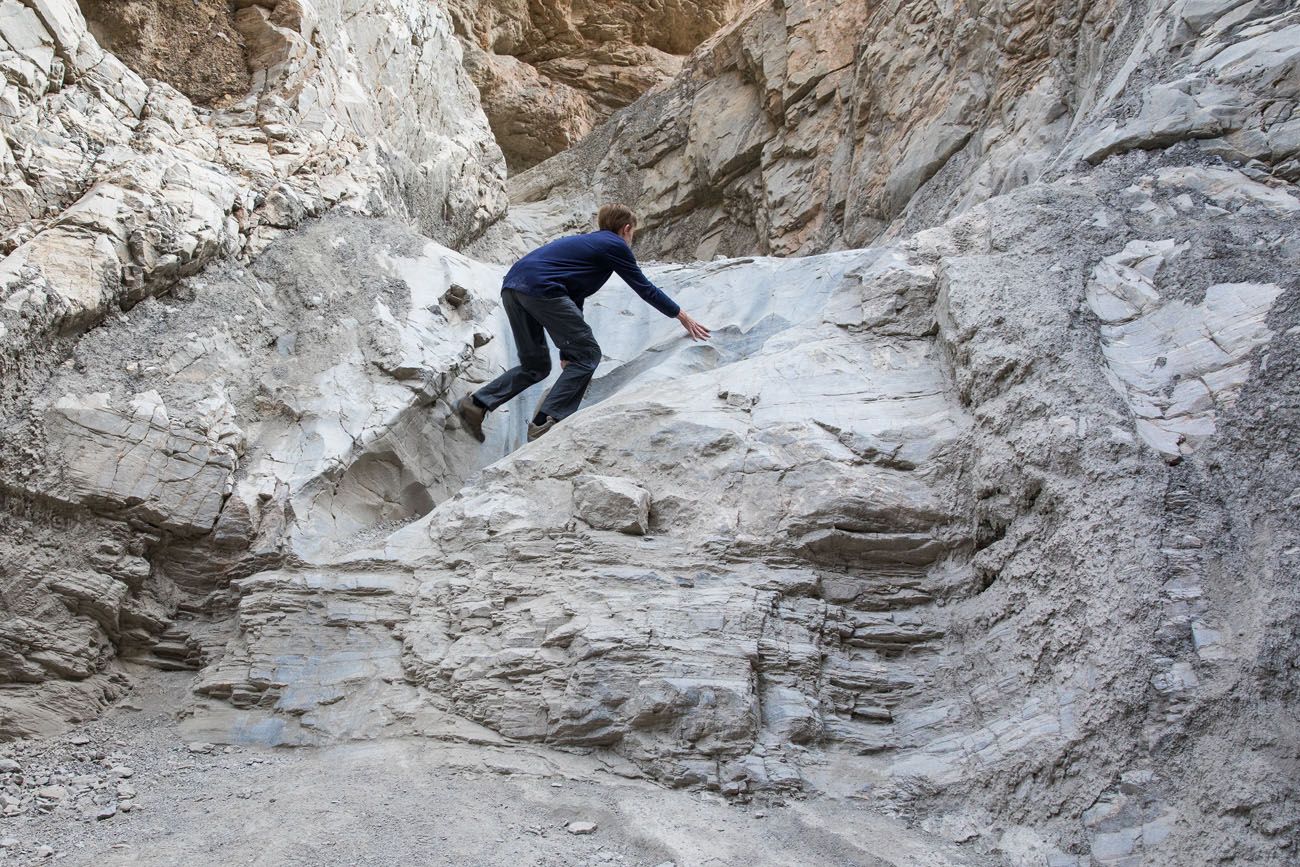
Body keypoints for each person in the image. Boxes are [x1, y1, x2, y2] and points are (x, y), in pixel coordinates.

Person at [456, 204, 711, 442]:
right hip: (543, 289)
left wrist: (568, 351)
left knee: (536, 366)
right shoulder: (614, 244)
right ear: (627, 229)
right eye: (633, 233)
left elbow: (574, 297)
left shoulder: (586, 245)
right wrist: (681, 315)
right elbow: (644, 288)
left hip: (513, 288)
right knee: (588, 355)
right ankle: (546, 421)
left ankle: (476, 404)